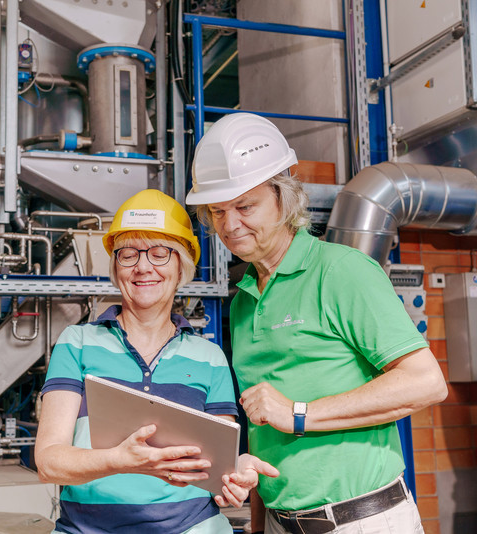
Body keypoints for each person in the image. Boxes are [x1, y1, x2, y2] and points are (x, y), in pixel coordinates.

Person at [186, 113, 448, 534]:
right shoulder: (243, 302)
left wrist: (301, 412)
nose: (229, 226)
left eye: (245, 206)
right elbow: (263, 425)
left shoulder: (342, 270)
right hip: (278, 522)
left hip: (360, 521)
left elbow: (425, 382)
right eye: (217, 211)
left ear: (285, 196)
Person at [34, 188, 278, 534]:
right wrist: (120, 461)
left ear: (181, 267)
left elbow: (214, 468)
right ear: (116, 267)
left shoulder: (209, 358)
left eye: (160, 253)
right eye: (128, 254)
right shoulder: (78, 343)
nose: (143, 266)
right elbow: (48, 461)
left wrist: (234, 475)